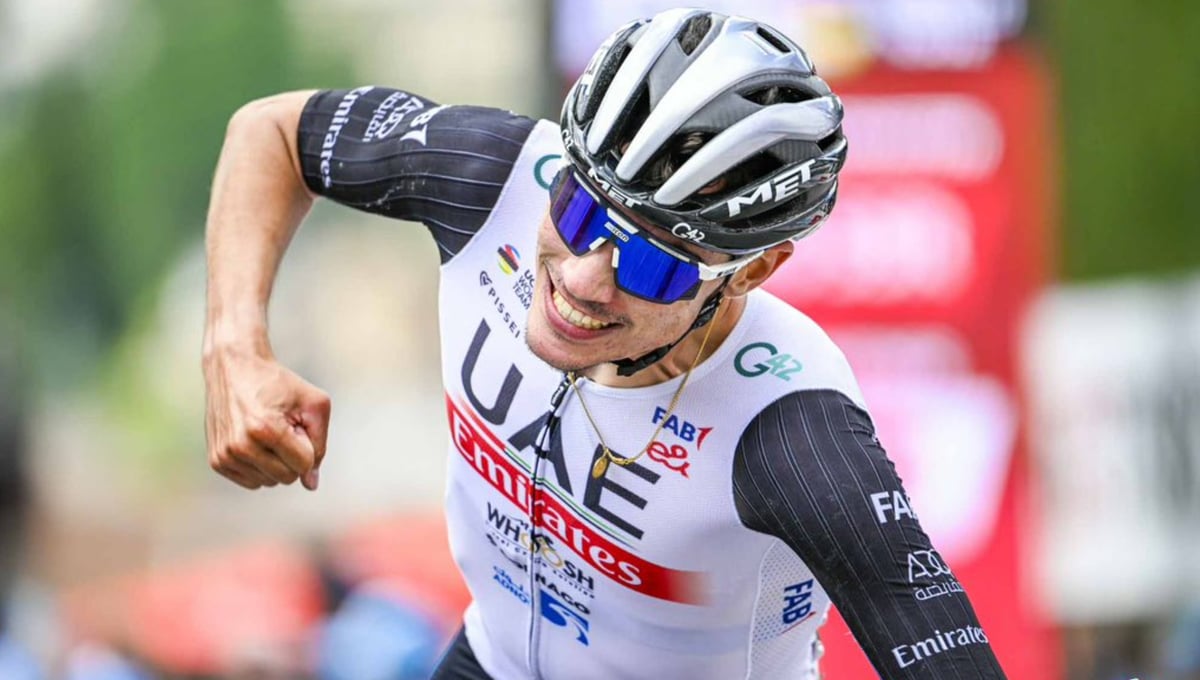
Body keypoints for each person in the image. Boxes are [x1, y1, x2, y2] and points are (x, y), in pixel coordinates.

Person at [202, 9, 1007, 679]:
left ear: (752, 271)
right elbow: (270, 132)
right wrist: (235, 347)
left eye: (653, 262)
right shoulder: (492, 177)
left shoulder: (792, 432)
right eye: (580, 209)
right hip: (492, 660)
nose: (584, 279)